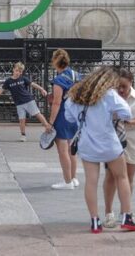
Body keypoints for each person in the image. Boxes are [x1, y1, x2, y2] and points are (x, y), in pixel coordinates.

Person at [65, 66, 135, 234]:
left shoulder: (74, 96)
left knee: (91, 181)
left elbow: (69, 118)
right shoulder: (108, 95)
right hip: (109, 144)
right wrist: (112, 114)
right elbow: (127, 113)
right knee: (121, 177)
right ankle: (127, 217)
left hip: (87, 144)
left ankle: (94, 221)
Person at [103, 68, 135, 228]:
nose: (121, 90)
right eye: (118, 86)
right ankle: (108, 213)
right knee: (111, 176)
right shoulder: (110, 97)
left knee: (128, 178)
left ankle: (125, 213)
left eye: (124, 86)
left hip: (132, 140)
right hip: (114, 139)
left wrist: (132, 121)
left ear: (131, 83)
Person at [0, 62, 51, 142]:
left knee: (37, 114)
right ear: (13, 70)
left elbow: (33, 84)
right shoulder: (8, 81)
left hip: (28, 100)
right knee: (21, 119)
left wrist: (42, 89)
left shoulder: (23, 78)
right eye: (17, 70)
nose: (18, 72)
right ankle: (23, 135)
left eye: (20, 71)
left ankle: (48, 128)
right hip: (19, 103)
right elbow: (1, 90)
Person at [48, 49, 81, 190]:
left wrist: (50, 123)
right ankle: (73, 178)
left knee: (62, 151)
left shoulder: (59, 80)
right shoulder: (77, 75)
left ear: (55, 62)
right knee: (71, 150)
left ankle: (67, 182)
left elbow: (56, 102)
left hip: (62, 117)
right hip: (75, 116)